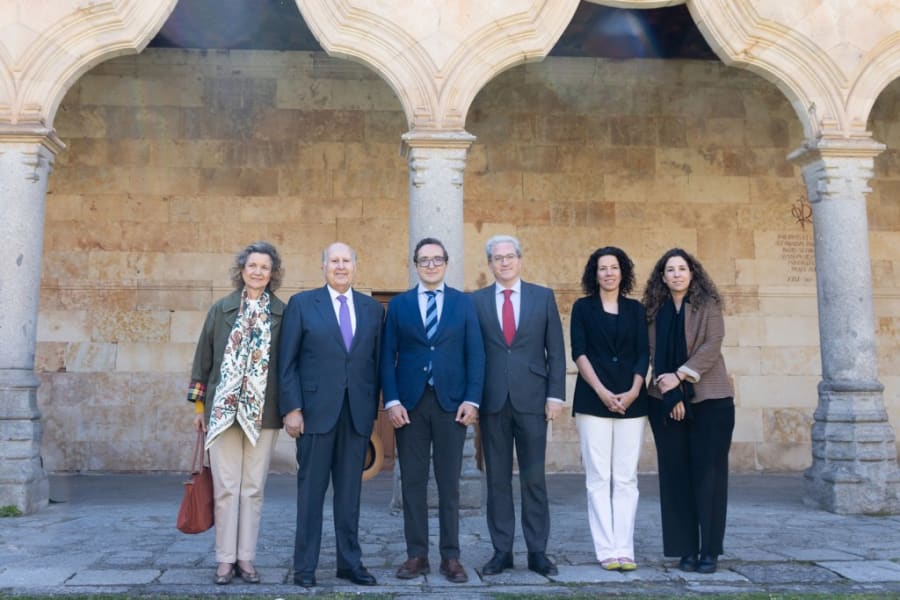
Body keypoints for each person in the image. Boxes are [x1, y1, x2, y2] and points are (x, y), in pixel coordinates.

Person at [278, 242, 383, 588]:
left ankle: (349, 564)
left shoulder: (372, 309)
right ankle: (305, 567)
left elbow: (375, 363)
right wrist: (292, 408)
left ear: (355, 266)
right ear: (323, 266)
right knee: (311, 495)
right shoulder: (302, 304)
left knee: (350, 496)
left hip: (356, 416)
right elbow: (287, 362)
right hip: (313, 415)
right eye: (334, 261)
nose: (340, 266)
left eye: (346, 261)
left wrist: (373, 409)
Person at [381, 237, 485, 584]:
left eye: (436, 259)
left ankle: (451, 557)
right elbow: (386, 356)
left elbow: (476, 354)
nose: (430, 265)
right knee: (412, 482)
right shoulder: (399, 305)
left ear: (446, 263)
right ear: (415, 265)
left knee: (449, 483)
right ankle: (417, 555)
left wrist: (472, 399)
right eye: (424, 260)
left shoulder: (463, 303)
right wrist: (392, 401)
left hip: (451, 405)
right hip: (409, 405)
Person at [187, 241, 285, 585]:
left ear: (272, 274)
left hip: (264, 414)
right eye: (252, 266)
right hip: (222, 411)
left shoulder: (283, 313)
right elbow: (202, 359)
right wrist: (199, 407)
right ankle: (225, 560)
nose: (258, 272)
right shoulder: (221, 309)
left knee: (253, 488)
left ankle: (246, 558)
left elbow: (288, 365)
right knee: (227, 488)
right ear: (242, 270)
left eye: (265, 267)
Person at [471, 234, 565, 577]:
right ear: (490, 264)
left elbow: (556, 350)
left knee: (533, 479)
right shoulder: (476, 301)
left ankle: (538, 552)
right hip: (492, 401)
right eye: (498, 258)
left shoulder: (543, 297)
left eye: (510, 256)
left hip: (533, 401)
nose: (505, 262)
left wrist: (555, 395)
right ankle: (502, 552)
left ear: (520, 260)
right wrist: (472, 399)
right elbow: (472, 353)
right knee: (496, 480)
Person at [642, 248, 735, 575]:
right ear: (662, 277)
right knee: (675, 476)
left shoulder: (708, 305)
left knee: (709, 476)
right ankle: (685, 549)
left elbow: (712, 346)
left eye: (682, 268)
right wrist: (672, 396)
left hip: (710, 400)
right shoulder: (654, 311)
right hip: (663, 401)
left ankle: (709, 550)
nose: (677, 274)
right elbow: (652, 352)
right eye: (670, 269)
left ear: (692, 273)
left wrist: (680, 377)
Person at [570, 246, 649, 572]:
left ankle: (624, 549)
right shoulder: (582, 308)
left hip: (632, 401)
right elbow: (579, 352)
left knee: (626, 478)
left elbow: (644, 353)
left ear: (623, 271)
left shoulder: (636, 309)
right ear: (595, 273)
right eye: (602, 268)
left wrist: (634, 391)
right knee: (599, 477)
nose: (608, 273)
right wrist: (602, 392)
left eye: (614, 267)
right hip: (593, 401)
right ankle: (606, 550)